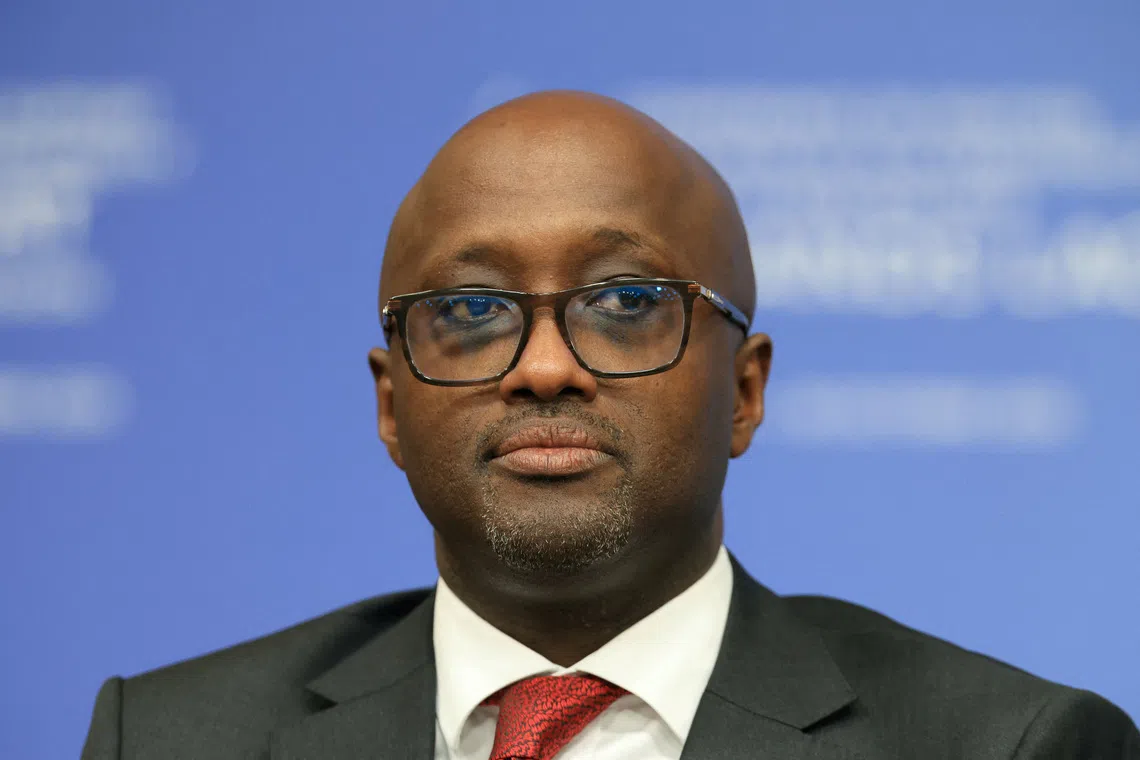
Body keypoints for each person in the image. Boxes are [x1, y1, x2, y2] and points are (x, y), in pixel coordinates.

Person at [81, 90, 1139, 760]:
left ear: (745, 392)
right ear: (391, 402)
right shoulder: (167, 738)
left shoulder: (1004, 745)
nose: (545, 369)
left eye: (627, 305)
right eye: (469, 310)